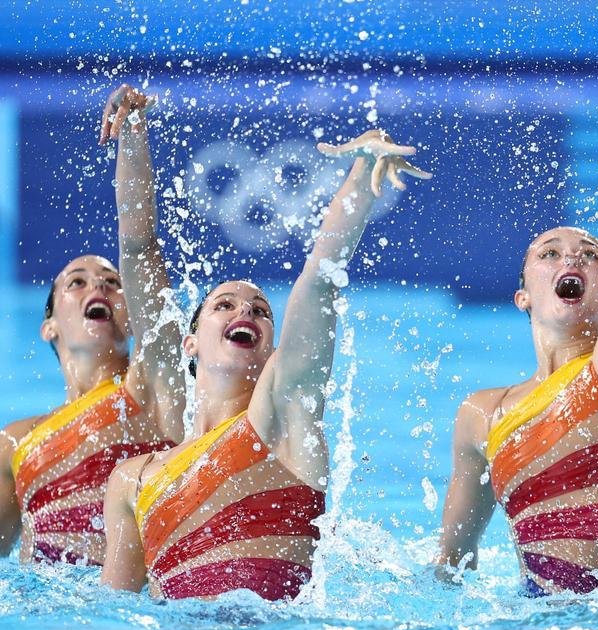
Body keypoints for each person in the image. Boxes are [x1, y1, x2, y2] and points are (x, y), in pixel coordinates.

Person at [100, 128, 429, 600]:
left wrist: (360, 176)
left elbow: (321, 277)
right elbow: (114, 610)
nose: (245, 312)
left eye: (260, 311)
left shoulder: (283, 417)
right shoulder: (133, 478)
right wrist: (131, 136)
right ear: (190, 343)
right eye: (224, 306)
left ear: (275, 347)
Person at [436, 103, 598, 596]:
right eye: (549, 253)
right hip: (530, 625)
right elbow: (451, 565)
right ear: (524, 296)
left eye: (591, 255)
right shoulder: (482, 413)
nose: (572, 255)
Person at [0, 84, 184, 565]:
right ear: (49, 327)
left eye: (111, 282)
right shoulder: (14, 444)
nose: (97, 288)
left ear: (132, 318)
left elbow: (142, 246)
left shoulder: (151, 388)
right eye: (75, 283)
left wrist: (134, 135)